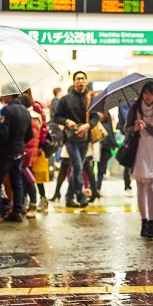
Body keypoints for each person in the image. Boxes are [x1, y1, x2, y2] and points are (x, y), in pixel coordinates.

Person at [0, 84, 33, 223]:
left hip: (6, 153)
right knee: (16, 181)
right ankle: (17, 212)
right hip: (19, 151)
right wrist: (19, 142)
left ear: (9, 95)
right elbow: (30, 134)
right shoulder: (25, 110)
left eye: (3, 94)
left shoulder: (7, 110)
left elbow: (4, 134)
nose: (2, 97)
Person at [124, 81, 153, 239]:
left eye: (152, 94)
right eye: (146, 93)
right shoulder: (135, 108)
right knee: (141, 188)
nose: (149, 97)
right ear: (142, 93)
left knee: (152, 188)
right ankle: (143, 221)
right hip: (138, 151)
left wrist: (148, 127)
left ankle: (152, 222)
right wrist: (134, 128)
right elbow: (126, 128)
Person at [54, 71, 99, 208]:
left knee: (77, 169)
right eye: (78, 79)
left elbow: (95, 117)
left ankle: (68, 197)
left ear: (86, 81)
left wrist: (88, 125)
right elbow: (56, 117)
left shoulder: (90, 99)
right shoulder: (66, 99)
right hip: (71, 139)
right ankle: (80, 196)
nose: (80, 81)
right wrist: (67, 121)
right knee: (78, 166)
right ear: (74, 82)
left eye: (83, 79)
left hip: (85, 139)